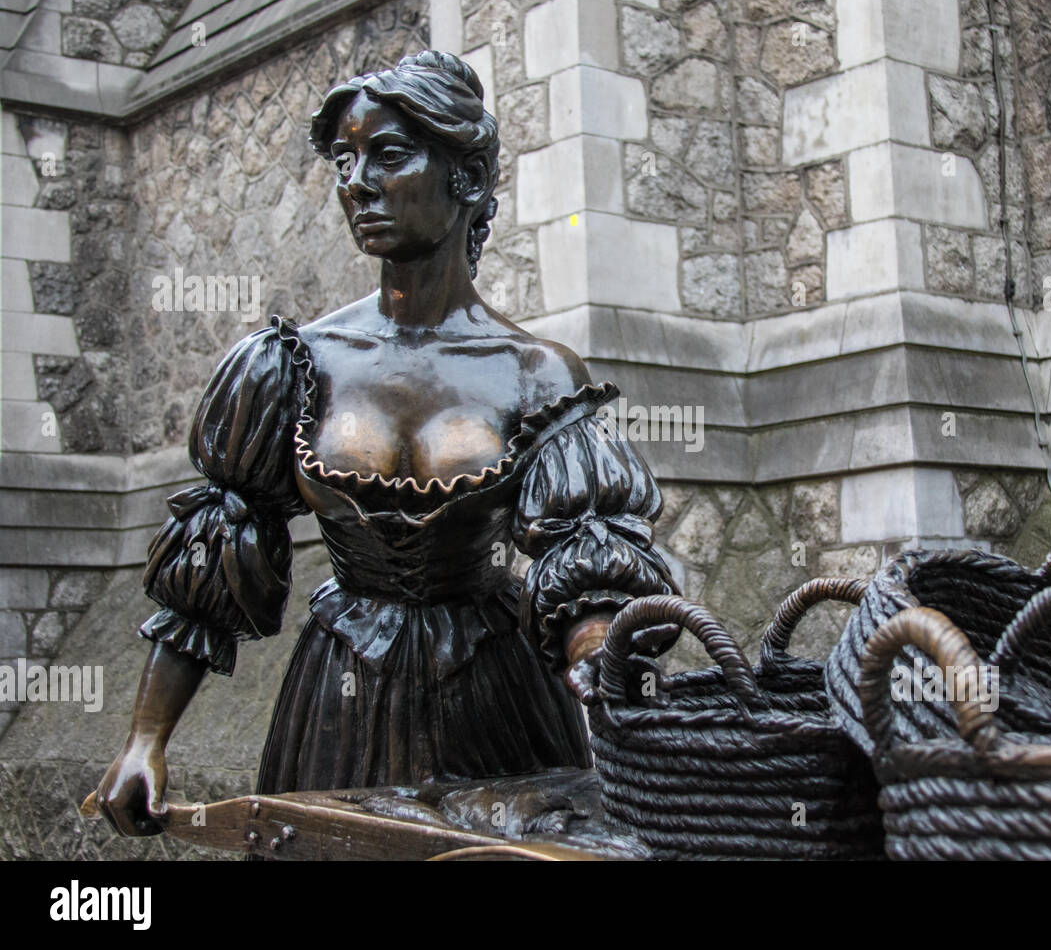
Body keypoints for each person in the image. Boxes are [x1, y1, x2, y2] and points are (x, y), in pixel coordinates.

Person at [94, 50, 677, 836]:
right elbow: (211, 566)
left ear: (466, 179)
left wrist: (596, 651)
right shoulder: (294, 365)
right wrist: (145, 739)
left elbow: (588, 561)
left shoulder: (536, 373)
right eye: (344, 158)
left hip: (496, 695)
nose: (357, 181)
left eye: (389, 154)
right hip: (340, 694)